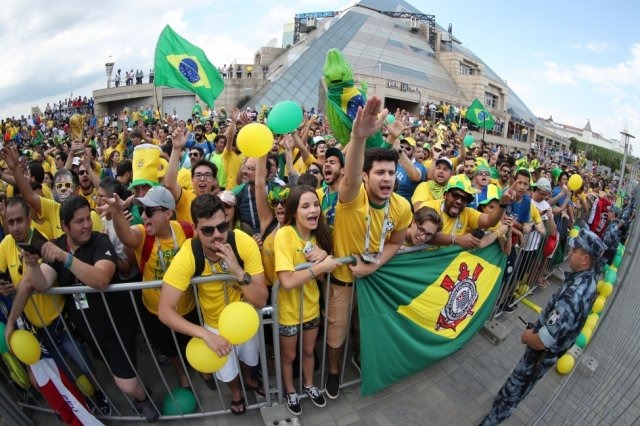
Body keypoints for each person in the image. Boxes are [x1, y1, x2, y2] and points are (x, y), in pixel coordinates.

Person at [8, 196, 158, 422]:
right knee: (117, 372)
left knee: (126, 384)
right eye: (80, 221)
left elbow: (100, 279)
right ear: (65, 226)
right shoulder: (58, 245)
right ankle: (136, 387)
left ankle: (143, 399)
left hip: (115, 327)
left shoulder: (100, 242)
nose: (87, 224)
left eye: (88, 218)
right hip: (88, 332)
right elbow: (42, 283)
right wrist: (32, 266)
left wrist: (66, 259)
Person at [325, 97, 412, 399]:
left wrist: (373, 266)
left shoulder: (402, 207)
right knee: (336, 336)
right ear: (365, 176)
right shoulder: (351, 197)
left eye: (390, 173)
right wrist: (357, 137)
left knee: (366, 329)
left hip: (373, 279)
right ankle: (334, 372)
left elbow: (397, 242)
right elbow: (348, 175)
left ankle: (360, 359)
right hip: (342, 280)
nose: (386, 177)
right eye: (379, 172)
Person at [480, 228, 605, 425]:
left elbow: (541, 341)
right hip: (546, 351)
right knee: (517, 388)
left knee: (515, 390)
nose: (570, 252)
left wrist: (526, 336)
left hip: (539, 355)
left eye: (576, 250)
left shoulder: (574, 294)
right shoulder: (587, 280)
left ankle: (493, 419)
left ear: (585, 258)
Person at [158, 194, 268, 415]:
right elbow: (164, 311)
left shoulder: (243, 243)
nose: (217, 235)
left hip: (244, 319)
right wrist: (205, 335)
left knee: (249, 358)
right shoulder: (189, 254)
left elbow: (261, 298)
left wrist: (238, 271)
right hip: (214, 323)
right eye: (208, 230)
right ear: (195, 230)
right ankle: (236, 392)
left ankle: (248, 379)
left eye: (222, 226)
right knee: (227, 372)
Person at [274, 185, 338, 415]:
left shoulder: (319, 237)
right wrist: (320, 266)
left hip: (311, 308)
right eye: (306, 206)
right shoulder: (284, 235)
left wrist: (325, 257)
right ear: (293, 212)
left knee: (310, 352)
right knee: (289, 356)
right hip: (288, 312)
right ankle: (291, 390)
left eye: (316, 205)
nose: (314, 210)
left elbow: (322, 276)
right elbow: (287, 281)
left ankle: (309, 385)